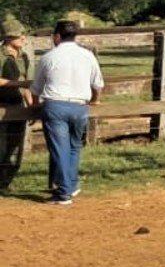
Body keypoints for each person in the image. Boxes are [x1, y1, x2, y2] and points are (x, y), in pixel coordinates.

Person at [31, 21, 102, 206]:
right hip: (79, 106)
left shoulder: (48, 57)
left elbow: (36, 88)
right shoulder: (87, 55)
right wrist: (95, 99)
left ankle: (63, 193)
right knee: (74, 146)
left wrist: (33, 105)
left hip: (55, 106)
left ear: (57, 36)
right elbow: (98, 84)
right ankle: (71, 184)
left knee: (59, 148)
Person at [0, 20, 32, 192]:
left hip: (18, 105)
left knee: (15, 146)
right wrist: (20, 83)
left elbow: (25, 82)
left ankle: (5, 182)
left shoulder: (24, 56)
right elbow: (22, 82)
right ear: (8, 36)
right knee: (1, 144)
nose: (22, 38)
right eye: (19, 34)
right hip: (2, 104)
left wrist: (31, 105)